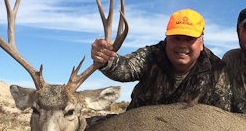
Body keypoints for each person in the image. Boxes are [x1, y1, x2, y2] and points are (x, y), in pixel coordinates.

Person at [91, 9, 230, 111]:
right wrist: (105, 58)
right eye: (176, 38)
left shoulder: (217, 70)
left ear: (201, 43)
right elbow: (124, 68)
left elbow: (222, 115)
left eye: (189, 39)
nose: (182, 45)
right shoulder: (152, 55)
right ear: (166, 39)